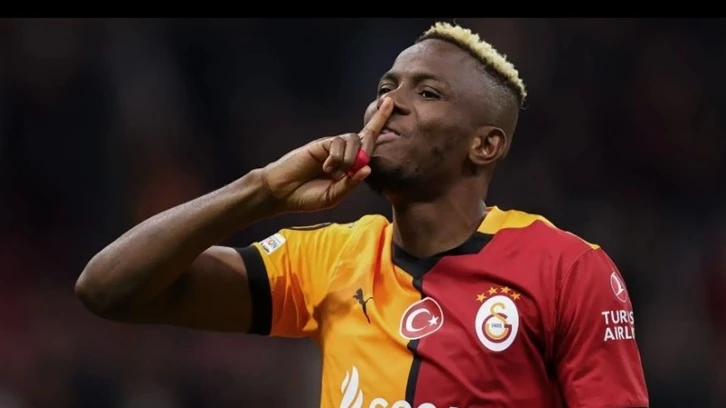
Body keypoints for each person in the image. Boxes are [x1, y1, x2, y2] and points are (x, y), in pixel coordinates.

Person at [75, 21, 649, 408]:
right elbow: (109, 290)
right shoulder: (328, 258)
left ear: (485, 145)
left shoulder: (566, 269)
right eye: (386, 87)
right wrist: (263, 189)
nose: (389, 104)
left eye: (428, 93)